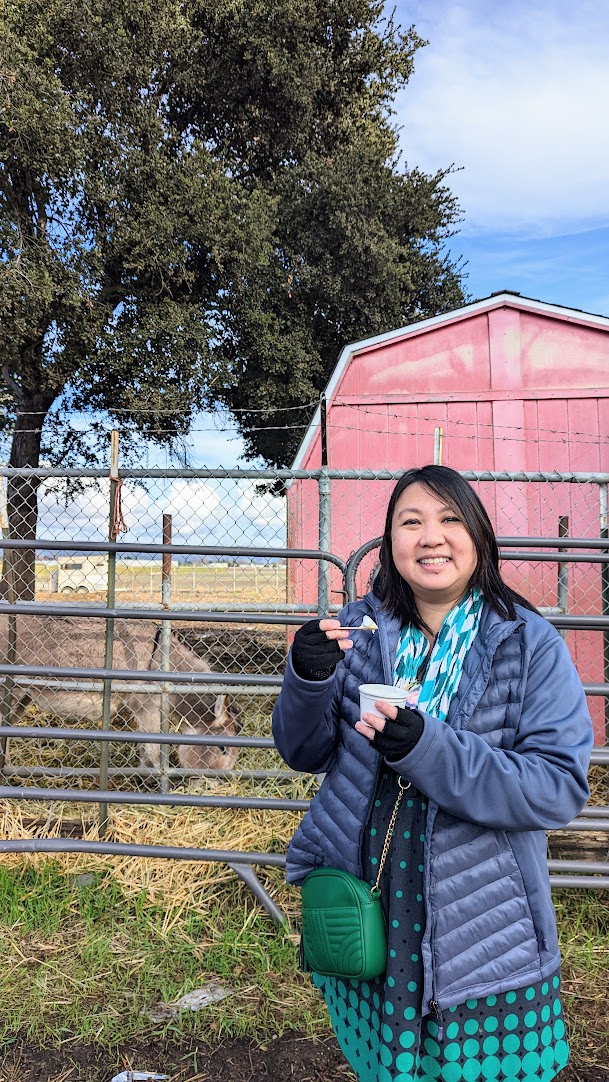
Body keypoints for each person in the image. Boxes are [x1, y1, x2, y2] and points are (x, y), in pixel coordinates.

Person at [272, 465, 593, 1082]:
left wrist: (429, 749)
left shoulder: (527, 643)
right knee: (387, 1065)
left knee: (482, 1068)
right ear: (390, 541)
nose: (431, 537)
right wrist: (307, 678)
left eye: (449, 519)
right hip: (378, 897)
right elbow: (303, 751)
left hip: (485, 917)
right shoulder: (358, 633)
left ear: (478, 536)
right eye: (410, 522)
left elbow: (558, 787)